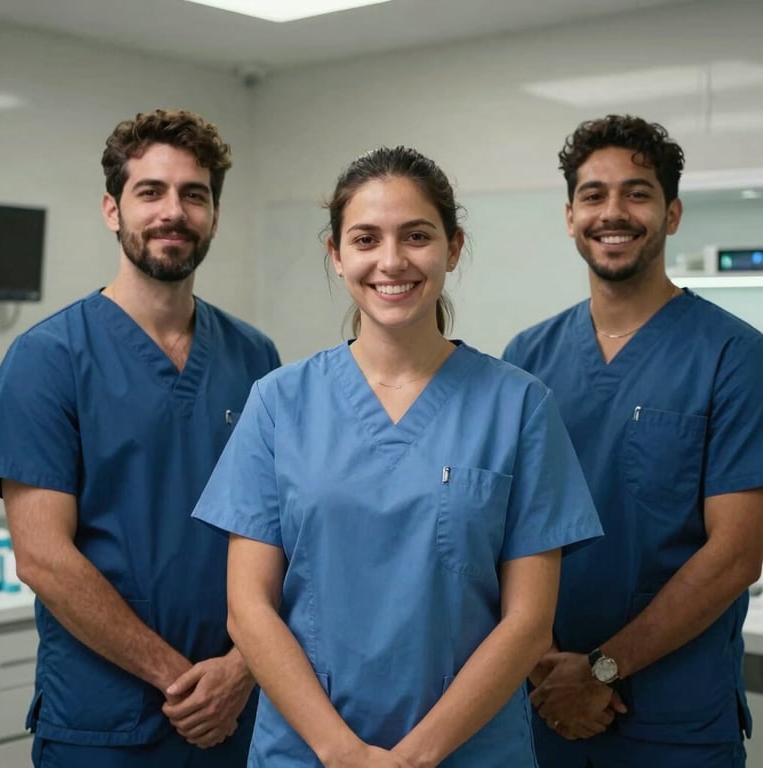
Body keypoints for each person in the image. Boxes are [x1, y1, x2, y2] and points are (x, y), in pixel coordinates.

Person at [191, 145, 602, 767]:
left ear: (452, 248)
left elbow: (528, 624)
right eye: (365, 238)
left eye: (416, 236)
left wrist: (413, 759)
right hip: (308, 753)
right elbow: (249, 610)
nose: (391, 261)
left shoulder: (518, 406)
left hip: (470, 751)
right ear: (336, 255)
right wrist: (343, 753)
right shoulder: (278, 402)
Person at [0, 108, 281, 767]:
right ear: (112, 209)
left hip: (238, 717)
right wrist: (182, 681)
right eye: (150, 192)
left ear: (213, 213)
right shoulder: (48, 359)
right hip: (105, 725)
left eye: (194, 194)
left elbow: (283, 532)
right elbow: (42, 557)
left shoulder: (254, 356)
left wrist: (241, 670)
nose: (172, 212)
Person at [502, 114, 763, 767]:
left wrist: (603, 669)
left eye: (637, 193)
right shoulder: (526, 356)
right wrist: (539, 663)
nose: (612, 212)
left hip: (673, 713)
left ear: (671, 214)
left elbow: (736, 554)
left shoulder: (734, 356)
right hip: (543, 703)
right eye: (594, 195)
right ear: (570, 216)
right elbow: (500, 529)